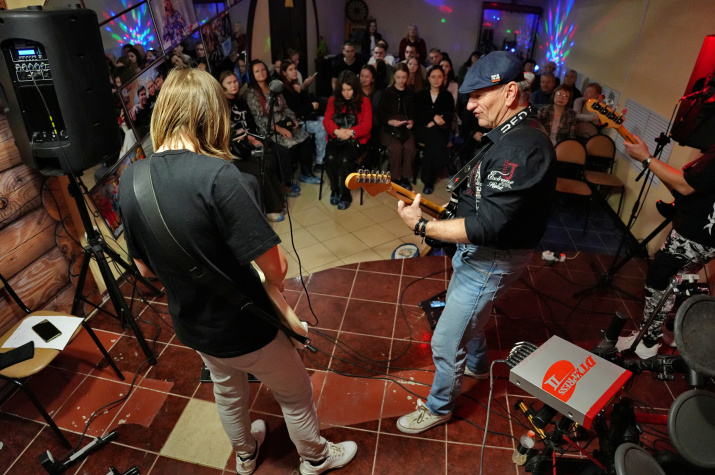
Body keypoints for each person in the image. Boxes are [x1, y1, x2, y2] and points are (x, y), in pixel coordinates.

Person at [118, 68, 358, 475]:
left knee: (228, 391)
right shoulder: (220, 177)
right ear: (212, 114)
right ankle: (316, 457)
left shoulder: (131, 179)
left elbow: (143, 267)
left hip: (193, 325)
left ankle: (245, 455)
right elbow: (277, 269)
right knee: (295, 392)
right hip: (246, 325)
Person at [394, 51, 556, 434]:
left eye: (478, 96)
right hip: (483, 253)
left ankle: (439, 408)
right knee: (468, 315)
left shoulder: (522, 147)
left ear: (510, 92)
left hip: (492, 257)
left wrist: (423, 227)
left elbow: (486, 226)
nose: (469, 106)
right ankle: (479, 366)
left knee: (445, 343)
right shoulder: (513, 132)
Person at [616, 139, 715, 359]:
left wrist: (646, 158)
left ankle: (647, 341)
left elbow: (686, 185)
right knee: (677, 280)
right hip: (706, 236)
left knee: (658, 280)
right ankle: (668, 329)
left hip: (695, 233)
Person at [220, 71, 286, 222]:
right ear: (222, 86)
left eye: (235, 81)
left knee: (268, 161)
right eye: (229, 83)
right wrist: (246, 137)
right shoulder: (221, 106)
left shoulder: (241, 101)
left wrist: (254, 138)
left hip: (248, 143)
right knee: (258, 171)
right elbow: (228, 133)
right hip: (233, 150)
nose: (234, 85)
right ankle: (269, 209)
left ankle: (277, 202)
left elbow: (251, 123)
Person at [243, 59, 320, 188]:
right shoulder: (251, 94)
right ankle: (287, 182)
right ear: (252, 74)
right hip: (269, 129)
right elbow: (259, 119)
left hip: (284, 122)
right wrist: (279, 129)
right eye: (257, 71)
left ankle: (306, 173)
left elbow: (286, 108)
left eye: (263, 69)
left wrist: (293, 119)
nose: (261, 73)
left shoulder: (274, 86)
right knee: (287, 147)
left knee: (305, 138)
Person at [323, 71, 372, 210]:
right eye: (343, 90)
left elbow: (367, 125)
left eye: (349, 90)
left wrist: (351, 132)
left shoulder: (365, 101)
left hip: (356, 141)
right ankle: (335, 189)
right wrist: (337, 131)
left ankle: (345, 194)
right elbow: (327, 120)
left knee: (345, 160)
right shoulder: (333, 100)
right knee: (330, 158)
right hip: (336, 138)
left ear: (355, 88)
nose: (346, 93)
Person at [279, 59, 327, 173]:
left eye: (295, 68)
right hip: (294, 122)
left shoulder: (293, 85)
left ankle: (322, 155)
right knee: (322, 126)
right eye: (290, 69)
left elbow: (301, 102)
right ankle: (319, 162)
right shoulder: (284, 89)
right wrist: (311, 106)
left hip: (303, 117)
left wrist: (302, 88)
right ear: (284, 72)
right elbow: (295, 111)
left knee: (325, 120)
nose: (294, 71)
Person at [414, 65, 454, 195]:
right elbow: (417, 114)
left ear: (443, 78)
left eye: (439, 77)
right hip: (422, 130)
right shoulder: (421, 94)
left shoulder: (447, 95)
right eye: (433, 77)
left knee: (432, 143)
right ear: (428, 78)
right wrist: (433, 117)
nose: (436, 80)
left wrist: (435, 122)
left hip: (440, 130)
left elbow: (449, 115)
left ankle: (428, 181)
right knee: (433, 138)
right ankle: (447, 164)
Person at [378, 63, 416, 190]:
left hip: (404, 127)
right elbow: (380, 114)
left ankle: (405, 178)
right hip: (389, 128)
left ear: (407, 77)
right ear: (394, 76)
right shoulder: (387, 92)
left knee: (410, 147)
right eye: (398, 77)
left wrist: (411, 121)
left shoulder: (410, 93)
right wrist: (390, 121)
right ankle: (395, 178)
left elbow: (414, 113)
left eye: (404, 77)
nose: (401, 80)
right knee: (396, 147)